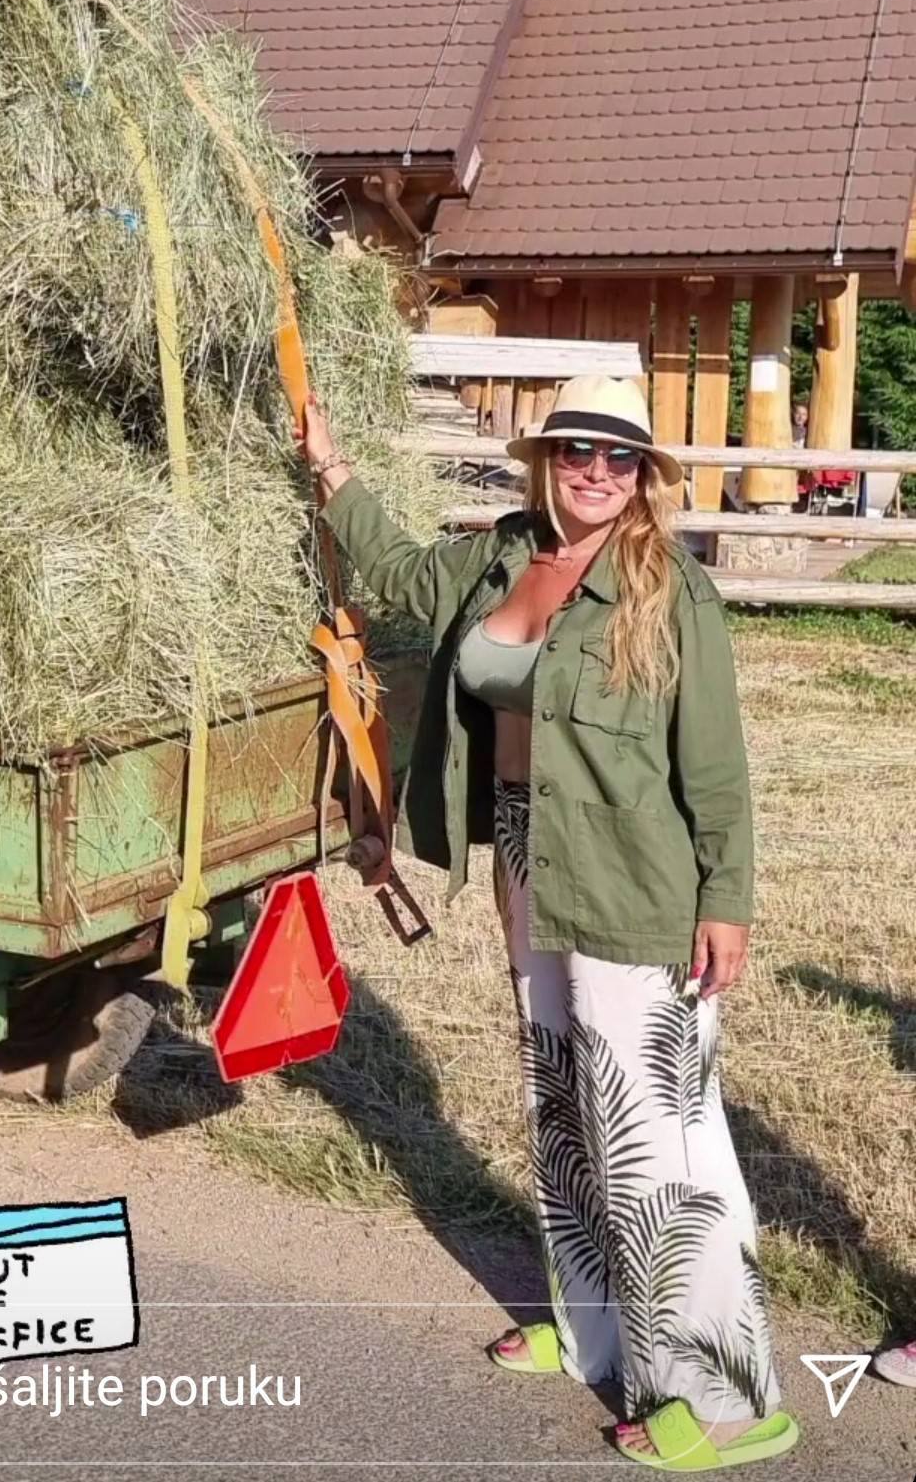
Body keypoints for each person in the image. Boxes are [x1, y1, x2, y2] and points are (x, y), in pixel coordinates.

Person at [299, 374, 799, 1472]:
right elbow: (392, 570)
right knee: (564, 1097)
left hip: (635, 874)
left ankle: (726, 1394)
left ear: (643, 475)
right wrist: (331, 467)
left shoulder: (670, 589)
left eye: (619, 456)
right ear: (545, 457)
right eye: (577, 447)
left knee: (659, 1133)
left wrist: (728, 899)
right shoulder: (501, 551)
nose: (595, 471)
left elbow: (715, 764)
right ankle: (597, 1329)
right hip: (530, 856)